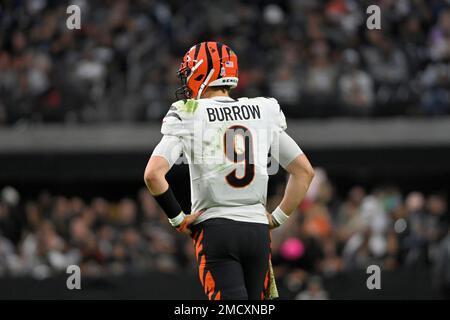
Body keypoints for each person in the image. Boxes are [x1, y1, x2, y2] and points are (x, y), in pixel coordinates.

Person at [144, 42, 314, 300]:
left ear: (202, 73)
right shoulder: (262, 110)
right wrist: (277, 217)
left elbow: (153, 174)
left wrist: (178, 219)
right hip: (257, 230)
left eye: (189, 72)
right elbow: (304, 171)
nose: (186, 80)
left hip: (216, 230)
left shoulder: (189, 113)